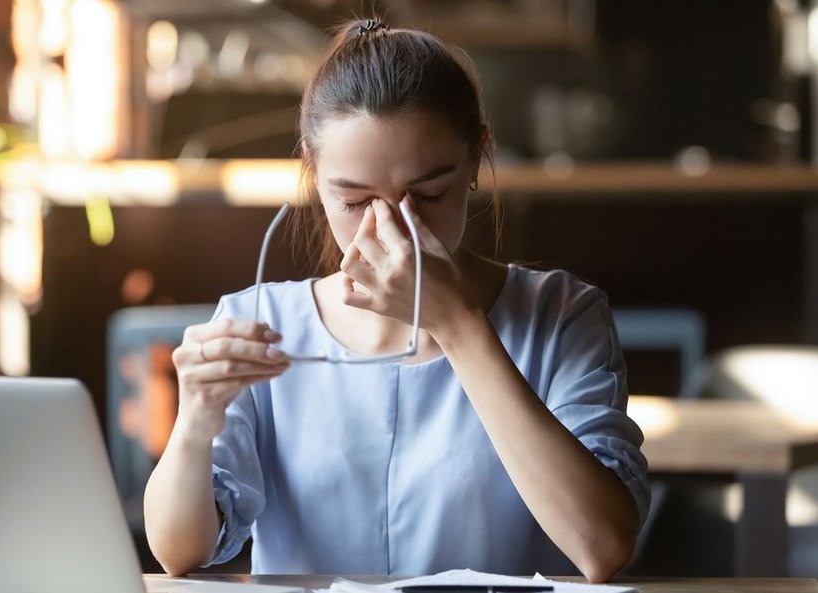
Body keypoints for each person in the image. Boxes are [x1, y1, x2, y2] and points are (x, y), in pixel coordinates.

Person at [144, 17, 649, 583]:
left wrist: (458, 326)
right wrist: (193, 424)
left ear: (477, 161)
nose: (393, 230)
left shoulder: (562, 317)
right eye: (355, 201)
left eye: (429, 195)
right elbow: (178, 555)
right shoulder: (262, 321)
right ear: (315, 177)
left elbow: (602, 547)